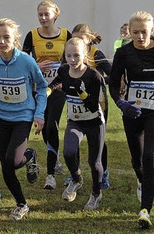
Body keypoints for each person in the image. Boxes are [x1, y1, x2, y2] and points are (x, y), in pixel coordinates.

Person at [109, 11, 154, 229]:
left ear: (152, 32)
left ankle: (145, 210)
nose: (140, 36)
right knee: (137, 160)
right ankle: (142, 179)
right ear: (129, 32)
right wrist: (121, 103)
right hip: (132, 112)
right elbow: (112, 84)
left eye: (144, 32)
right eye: (135, 32)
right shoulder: (123, 52)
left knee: (149, 156)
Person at [0, 18, 46, 221]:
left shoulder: (26, 61)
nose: (2, 41)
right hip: (1, 117)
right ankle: (22, 204)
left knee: (12, 161)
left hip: (23, 117)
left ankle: (28, 156)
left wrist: (39, 114)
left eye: (6, 37)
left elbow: (41, 87)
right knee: (6, 166)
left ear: (15, 39)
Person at [51, 37, 106, 210]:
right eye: (68, 55)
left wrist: (80, 92)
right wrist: (45, 92)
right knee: (68, 152)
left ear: (85, 55)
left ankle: (96, 194)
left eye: (76, 55)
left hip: (94, 122)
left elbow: (92, 105)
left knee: (94, 163)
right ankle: (77, 179)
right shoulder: (64, 70)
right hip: (75, 121)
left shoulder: (93, 76)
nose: (72, 60)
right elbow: (54, 84)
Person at [22, 0, 71, 190]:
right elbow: (24, 60)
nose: (43, 18)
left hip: (58, 88)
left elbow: (72, 58)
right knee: (44, 124)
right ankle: (55, 156)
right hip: (38, 88)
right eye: (40, 14)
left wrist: (62, 75)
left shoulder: (65, 34)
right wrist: (36, 66)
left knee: (52, 124)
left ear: (55, 15)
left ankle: (51, 170)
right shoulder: (32, 35)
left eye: (46, 14)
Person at [63, 24, 112, 190]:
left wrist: (96, 82)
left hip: (98, 102)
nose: (76, 42)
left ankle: (103, 173)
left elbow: (111, 73)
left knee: (98, 140)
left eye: (81, 39)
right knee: (73, 137)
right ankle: (74, 173)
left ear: (89, 40)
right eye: (73, 39)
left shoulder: (96, 54)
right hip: (76, 104)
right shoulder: (71, 54)